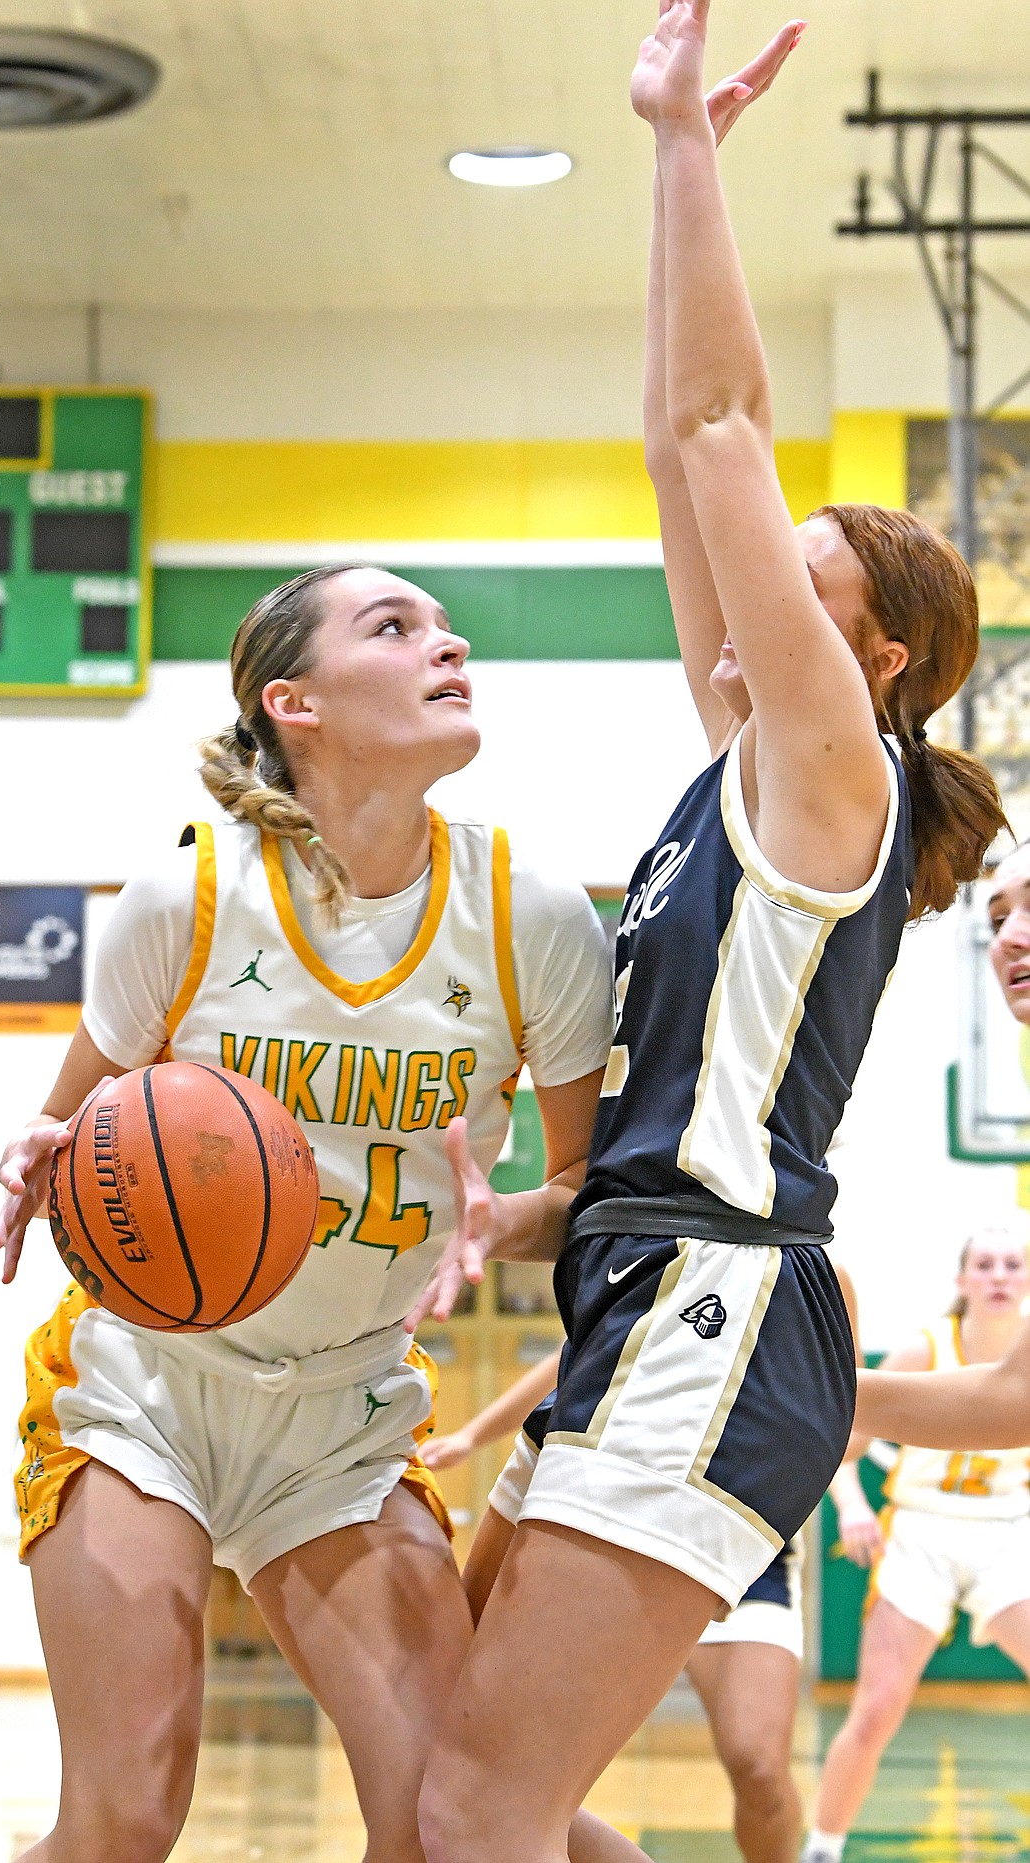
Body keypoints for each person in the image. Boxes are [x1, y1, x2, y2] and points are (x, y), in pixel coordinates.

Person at [413, 7, 1008, 1861]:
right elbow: (686, 461)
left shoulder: (840, 771)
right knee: (442, 1772)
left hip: (723, 1300)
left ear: (874, 657)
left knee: (470, 1805)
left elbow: (721, 427)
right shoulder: (744, 761)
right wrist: (537, 1206)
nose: (747, 577)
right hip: (642, 1287)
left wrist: (682, 145)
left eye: (799, 574)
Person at [0, 563, 616, 1863]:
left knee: (450, 1821)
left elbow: (584, 1194)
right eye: (393, 626)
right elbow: (72, 1135)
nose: (445, 640)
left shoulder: (531, 918)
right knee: (123, 1819)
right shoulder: (190, 898)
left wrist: (509, 1223)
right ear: (295, 701)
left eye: (446, 623)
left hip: (346, 1413)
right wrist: (36, 1160)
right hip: (146, 1387)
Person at [426, 1255, 860, 1863]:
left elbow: (847, 1408)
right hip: (612, 1511)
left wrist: (841, 1490)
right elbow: (577, 1352)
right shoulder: (653, 1226)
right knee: (491, 1763)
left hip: (737, 1535)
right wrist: (473, 1435)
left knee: (757, 1763)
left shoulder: (817, 1275)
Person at [803, 1228, 1030, 1863]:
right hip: (921, 1533)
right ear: (962, 1282)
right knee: (877, 1710)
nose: (999, 1276)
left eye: (1012, 1265)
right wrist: (851, 1509)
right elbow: (837, 1449)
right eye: (984, 1265)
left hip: (1010, 1535)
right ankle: (822, 1848)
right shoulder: (925, 1351)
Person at [854, 841, 1030, 1454]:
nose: (1008, 938)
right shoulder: (928, 1348)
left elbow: (1016, 1404)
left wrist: (793, 1385)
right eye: (997, 919)